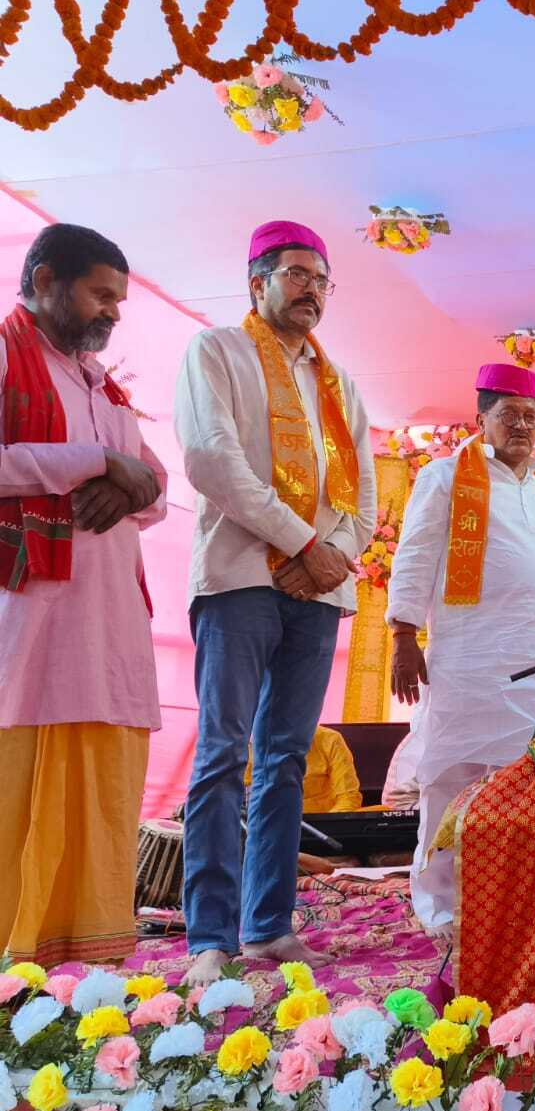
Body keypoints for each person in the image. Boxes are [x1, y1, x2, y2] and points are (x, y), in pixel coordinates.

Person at [176, 220, 377, 984]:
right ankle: (210, 937)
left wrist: (328, 557)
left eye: (322, 279)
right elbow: (212, 460)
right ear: (256, 281)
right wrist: (302, 543)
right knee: (224, 754)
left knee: (287, 759)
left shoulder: (340, 384)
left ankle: (266, 926)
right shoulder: (217, 352)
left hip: (317, 591)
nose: (311, 290)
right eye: (297, 274)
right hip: (238, 581)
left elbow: (362, 499)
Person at [0, 224, 166, 967]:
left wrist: (123, 481)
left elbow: (155, 483)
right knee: (17, 783)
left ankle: (83, 965)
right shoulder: (7, 357)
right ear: (44, 282)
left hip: (107, 622)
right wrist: (93, 461)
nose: (113, 312)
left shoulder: (104, 385)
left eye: (118, 299)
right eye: (101, 294)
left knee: (102, 784)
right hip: (31, 615)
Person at [386, 362, 535, 930]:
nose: (521, 426)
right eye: (508, 415)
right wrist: (403, 633)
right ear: (481, 419)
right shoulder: (446, 475)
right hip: (468, 659)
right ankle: (440, 906)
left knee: (534, 786)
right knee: (450, 781)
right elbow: (416, 552)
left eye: (530, 416)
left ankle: (519, 905)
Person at [244, 725, 362, 814]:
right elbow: (244, 799)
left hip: (319, 827)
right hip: (269, 826)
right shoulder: (255, 746)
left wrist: (328, 826)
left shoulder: (330, 740)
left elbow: (348, 797)